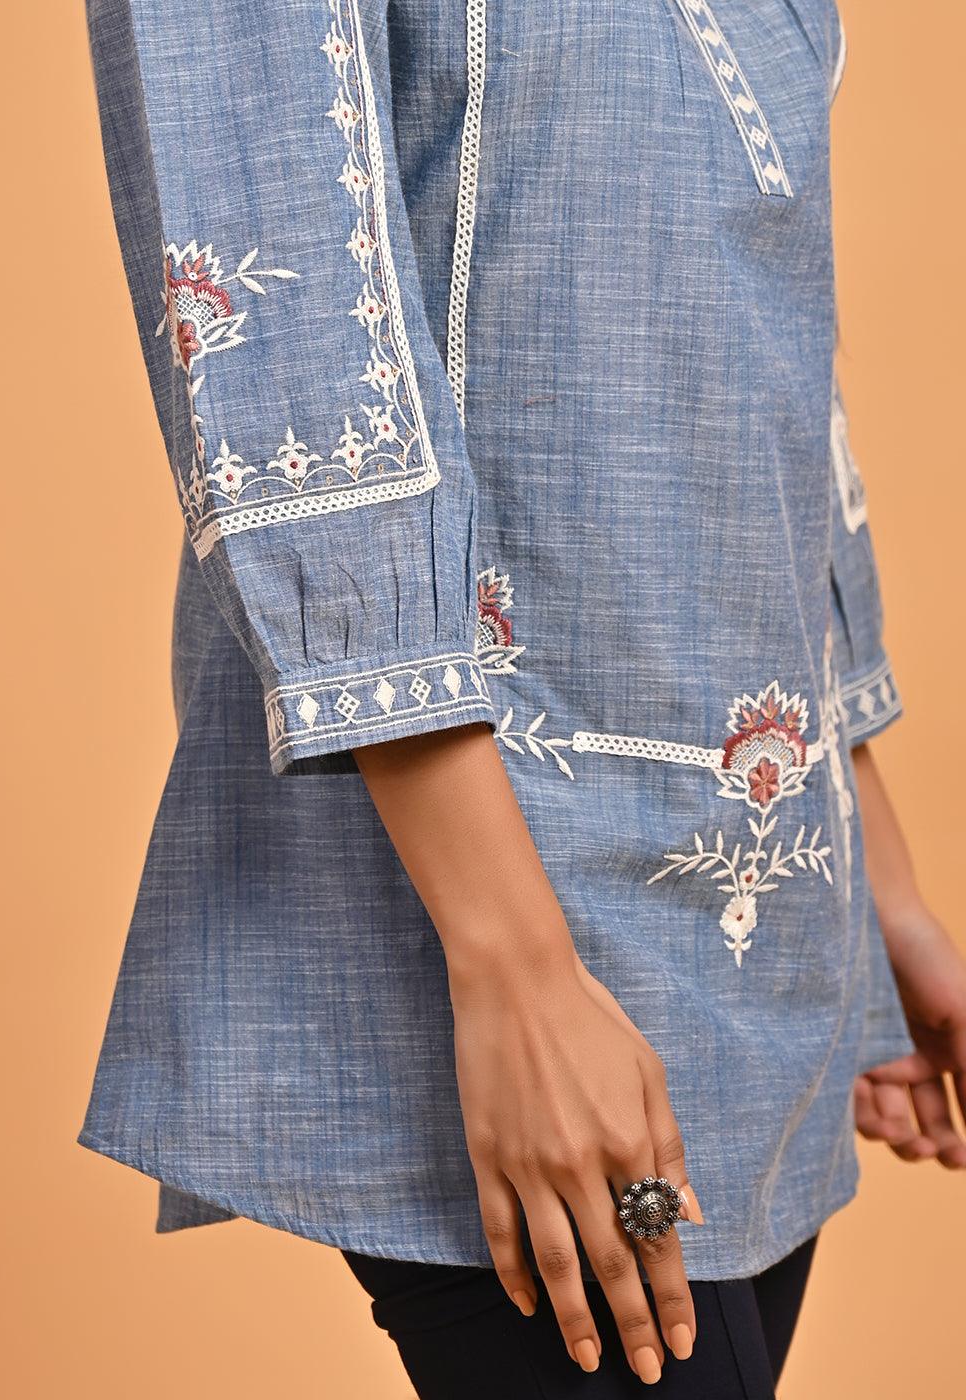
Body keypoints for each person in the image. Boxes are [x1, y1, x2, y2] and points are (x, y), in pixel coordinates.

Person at [77, 1, 966, 1393]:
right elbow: (290, 344)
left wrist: (876, 889)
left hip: (749, 915)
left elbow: (762, 342)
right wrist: (517, 968)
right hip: (492, 903)